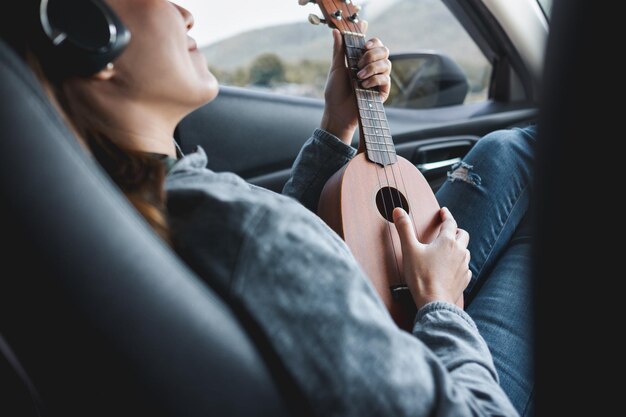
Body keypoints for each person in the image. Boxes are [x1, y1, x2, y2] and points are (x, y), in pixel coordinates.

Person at [1, 1, 534, 416]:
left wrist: (335, 125)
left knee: (504, 151)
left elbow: (267, 251)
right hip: (443, 371)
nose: (187, 13)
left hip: (378, 337)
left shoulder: (145, 200)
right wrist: (441, 303)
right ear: (90, 36)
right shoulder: (246, 231)